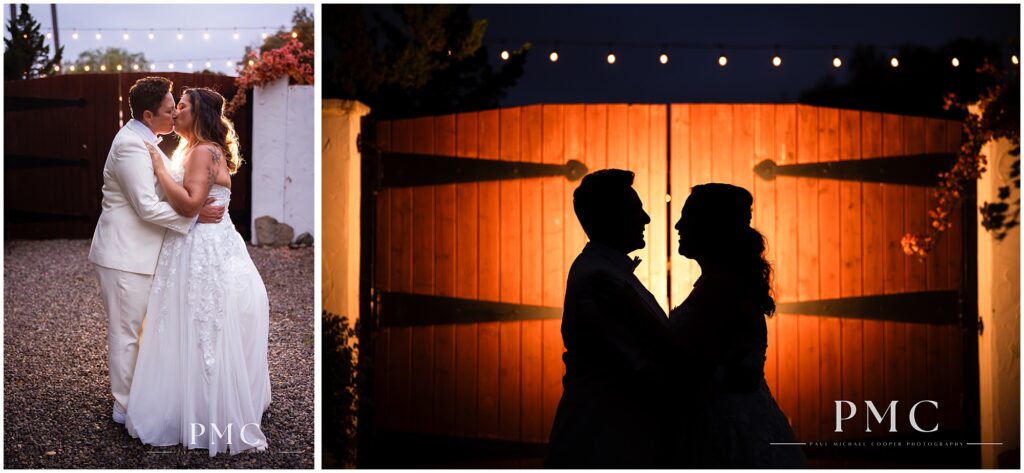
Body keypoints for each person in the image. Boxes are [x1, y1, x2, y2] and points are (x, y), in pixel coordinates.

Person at [124, 87, 271, 456]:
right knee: (196, 323)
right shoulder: (198, 149)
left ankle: (201, 407)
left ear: (199, 113)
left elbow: (190, 204)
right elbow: (192, 203)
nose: (175, 112)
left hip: (201, 248)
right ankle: (195, 403)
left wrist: (159, 167)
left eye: (183, 107)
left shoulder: (202, 151)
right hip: (206, 241)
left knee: (198, 322)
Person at [89, 76, 224, 427]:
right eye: (169, 110)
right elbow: (147, 206)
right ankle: (124, 406)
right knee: (127, 333)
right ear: (149, 115)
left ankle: (147, 398)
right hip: (124, 256)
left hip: (145, 254)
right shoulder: (131, 145)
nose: (175, 114)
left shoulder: (148, 140)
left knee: (149, 331)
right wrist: (194, 219)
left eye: (178, 108)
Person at [545, 169, 677, 468]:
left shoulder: (608, 271)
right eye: (635, 209)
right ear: (611, 217)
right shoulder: (598, 277)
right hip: (605, 434)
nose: (646, 218)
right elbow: (632, 360)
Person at [670, 183, 806, 468]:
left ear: (712, 227)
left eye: (688, 217)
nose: (678, 225)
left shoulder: (723, 287)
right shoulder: (719, 282)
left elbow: (697, 364)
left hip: (727, 431)